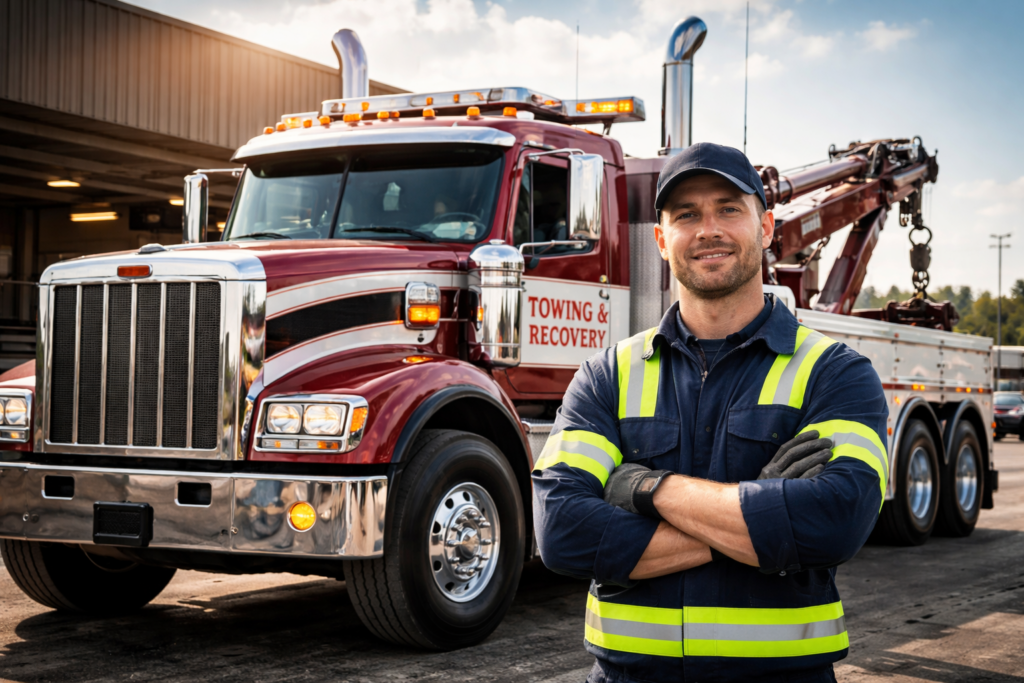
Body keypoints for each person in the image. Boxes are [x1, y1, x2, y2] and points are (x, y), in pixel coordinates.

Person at [532, 143, 888, 683]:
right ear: (661, 240)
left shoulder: (834, 372)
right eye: (686, 215)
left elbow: (837, 521)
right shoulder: (608, 376)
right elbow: (562, 533)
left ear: (765, 228)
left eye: (728, 209)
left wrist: (649, 488)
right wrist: (761, 518)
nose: (708, 230)